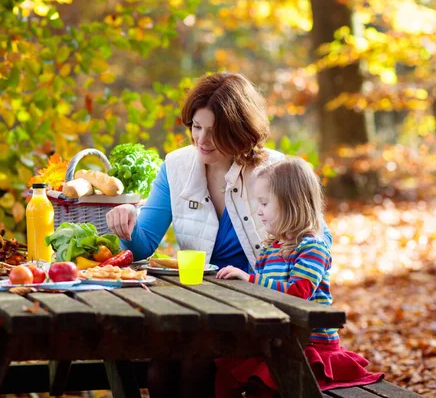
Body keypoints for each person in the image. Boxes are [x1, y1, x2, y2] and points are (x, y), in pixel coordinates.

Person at [106, 72, 287, 397]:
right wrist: (127, 226)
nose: (201, 139)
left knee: (195, 365)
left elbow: (307, 241)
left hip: (260, 306)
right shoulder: (176, 166)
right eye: (196, 127)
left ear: (239, 130)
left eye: (214, 131)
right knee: (160, 370)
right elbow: (144, 244)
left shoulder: (274, 171)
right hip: (197, 305)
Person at [214, 157, 383, 397]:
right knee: (222, 373)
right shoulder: (271, 248)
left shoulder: (312, 248)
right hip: (278, 339)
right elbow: (261, 294)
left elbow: (298, 293)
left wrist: (249, 280)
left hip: (311, 346)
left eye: (264, 203)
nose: (258, 212)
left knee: (265, 386)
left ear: (290, 203)